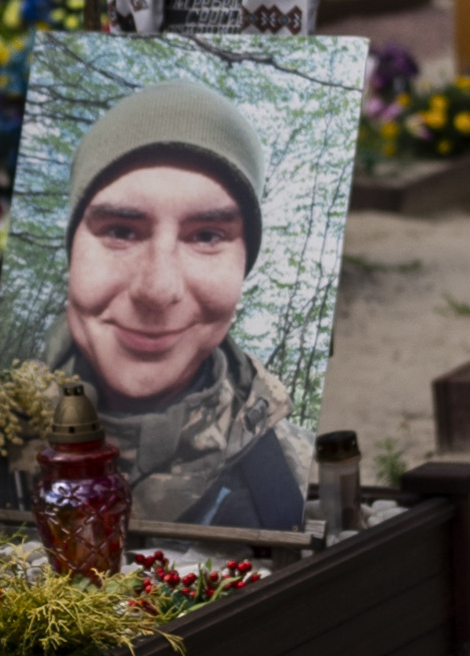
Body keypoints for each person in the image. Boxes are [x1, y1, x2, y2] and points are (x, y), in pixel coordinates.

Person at [41, 82, 307, 533]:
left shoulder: (295, 475)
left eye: (206, 236)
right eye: (121, 231)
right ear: (72, 254)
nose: (158, 289)